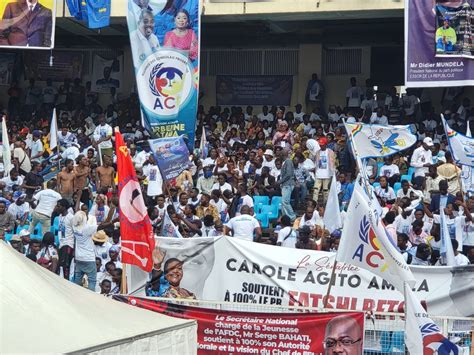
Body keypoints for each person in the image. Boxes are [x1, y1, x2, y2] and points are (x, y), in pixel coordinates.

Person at [277, 149, 296, 222]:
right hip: (285, 184)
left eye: (280, 154)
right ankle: (285, 218)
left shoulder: (288, 161)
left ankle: (292, 216)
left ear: (282, 155)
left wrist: (280, 181)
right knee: (283, 202)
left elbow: (288, 174)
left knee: (285, 201)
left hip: (288, 184)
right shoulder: (285, 162)